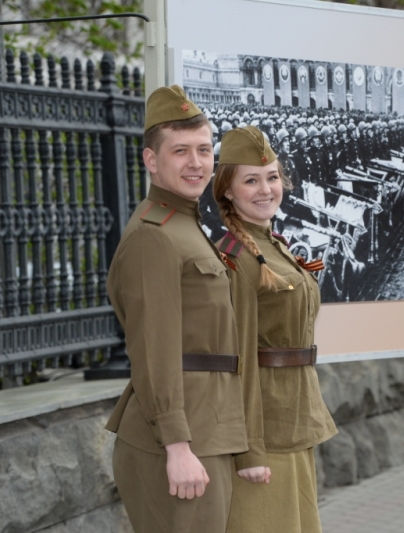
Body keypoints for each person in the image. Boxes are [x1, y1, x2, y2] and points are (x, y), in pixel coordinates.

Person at [104, 85, 264, 533]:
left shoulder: (187, 225)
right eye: (180, 151)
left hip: (208, 429)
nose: (196, 162)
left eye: (203, 149)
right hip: (178, 440)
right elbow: (154, 350)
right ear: (151, 161)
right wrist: (177, 445)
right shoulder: (154, 235)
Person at [212, 126, 338, 532]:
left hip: (295, 420)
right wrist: (249, 451)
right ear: (227, 189)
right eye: (251, 180)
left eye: (272, 177)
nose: (266, 188)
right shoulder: (236, 257)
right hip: (265, 432)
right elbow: (237, 360)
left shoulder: (272, 244)